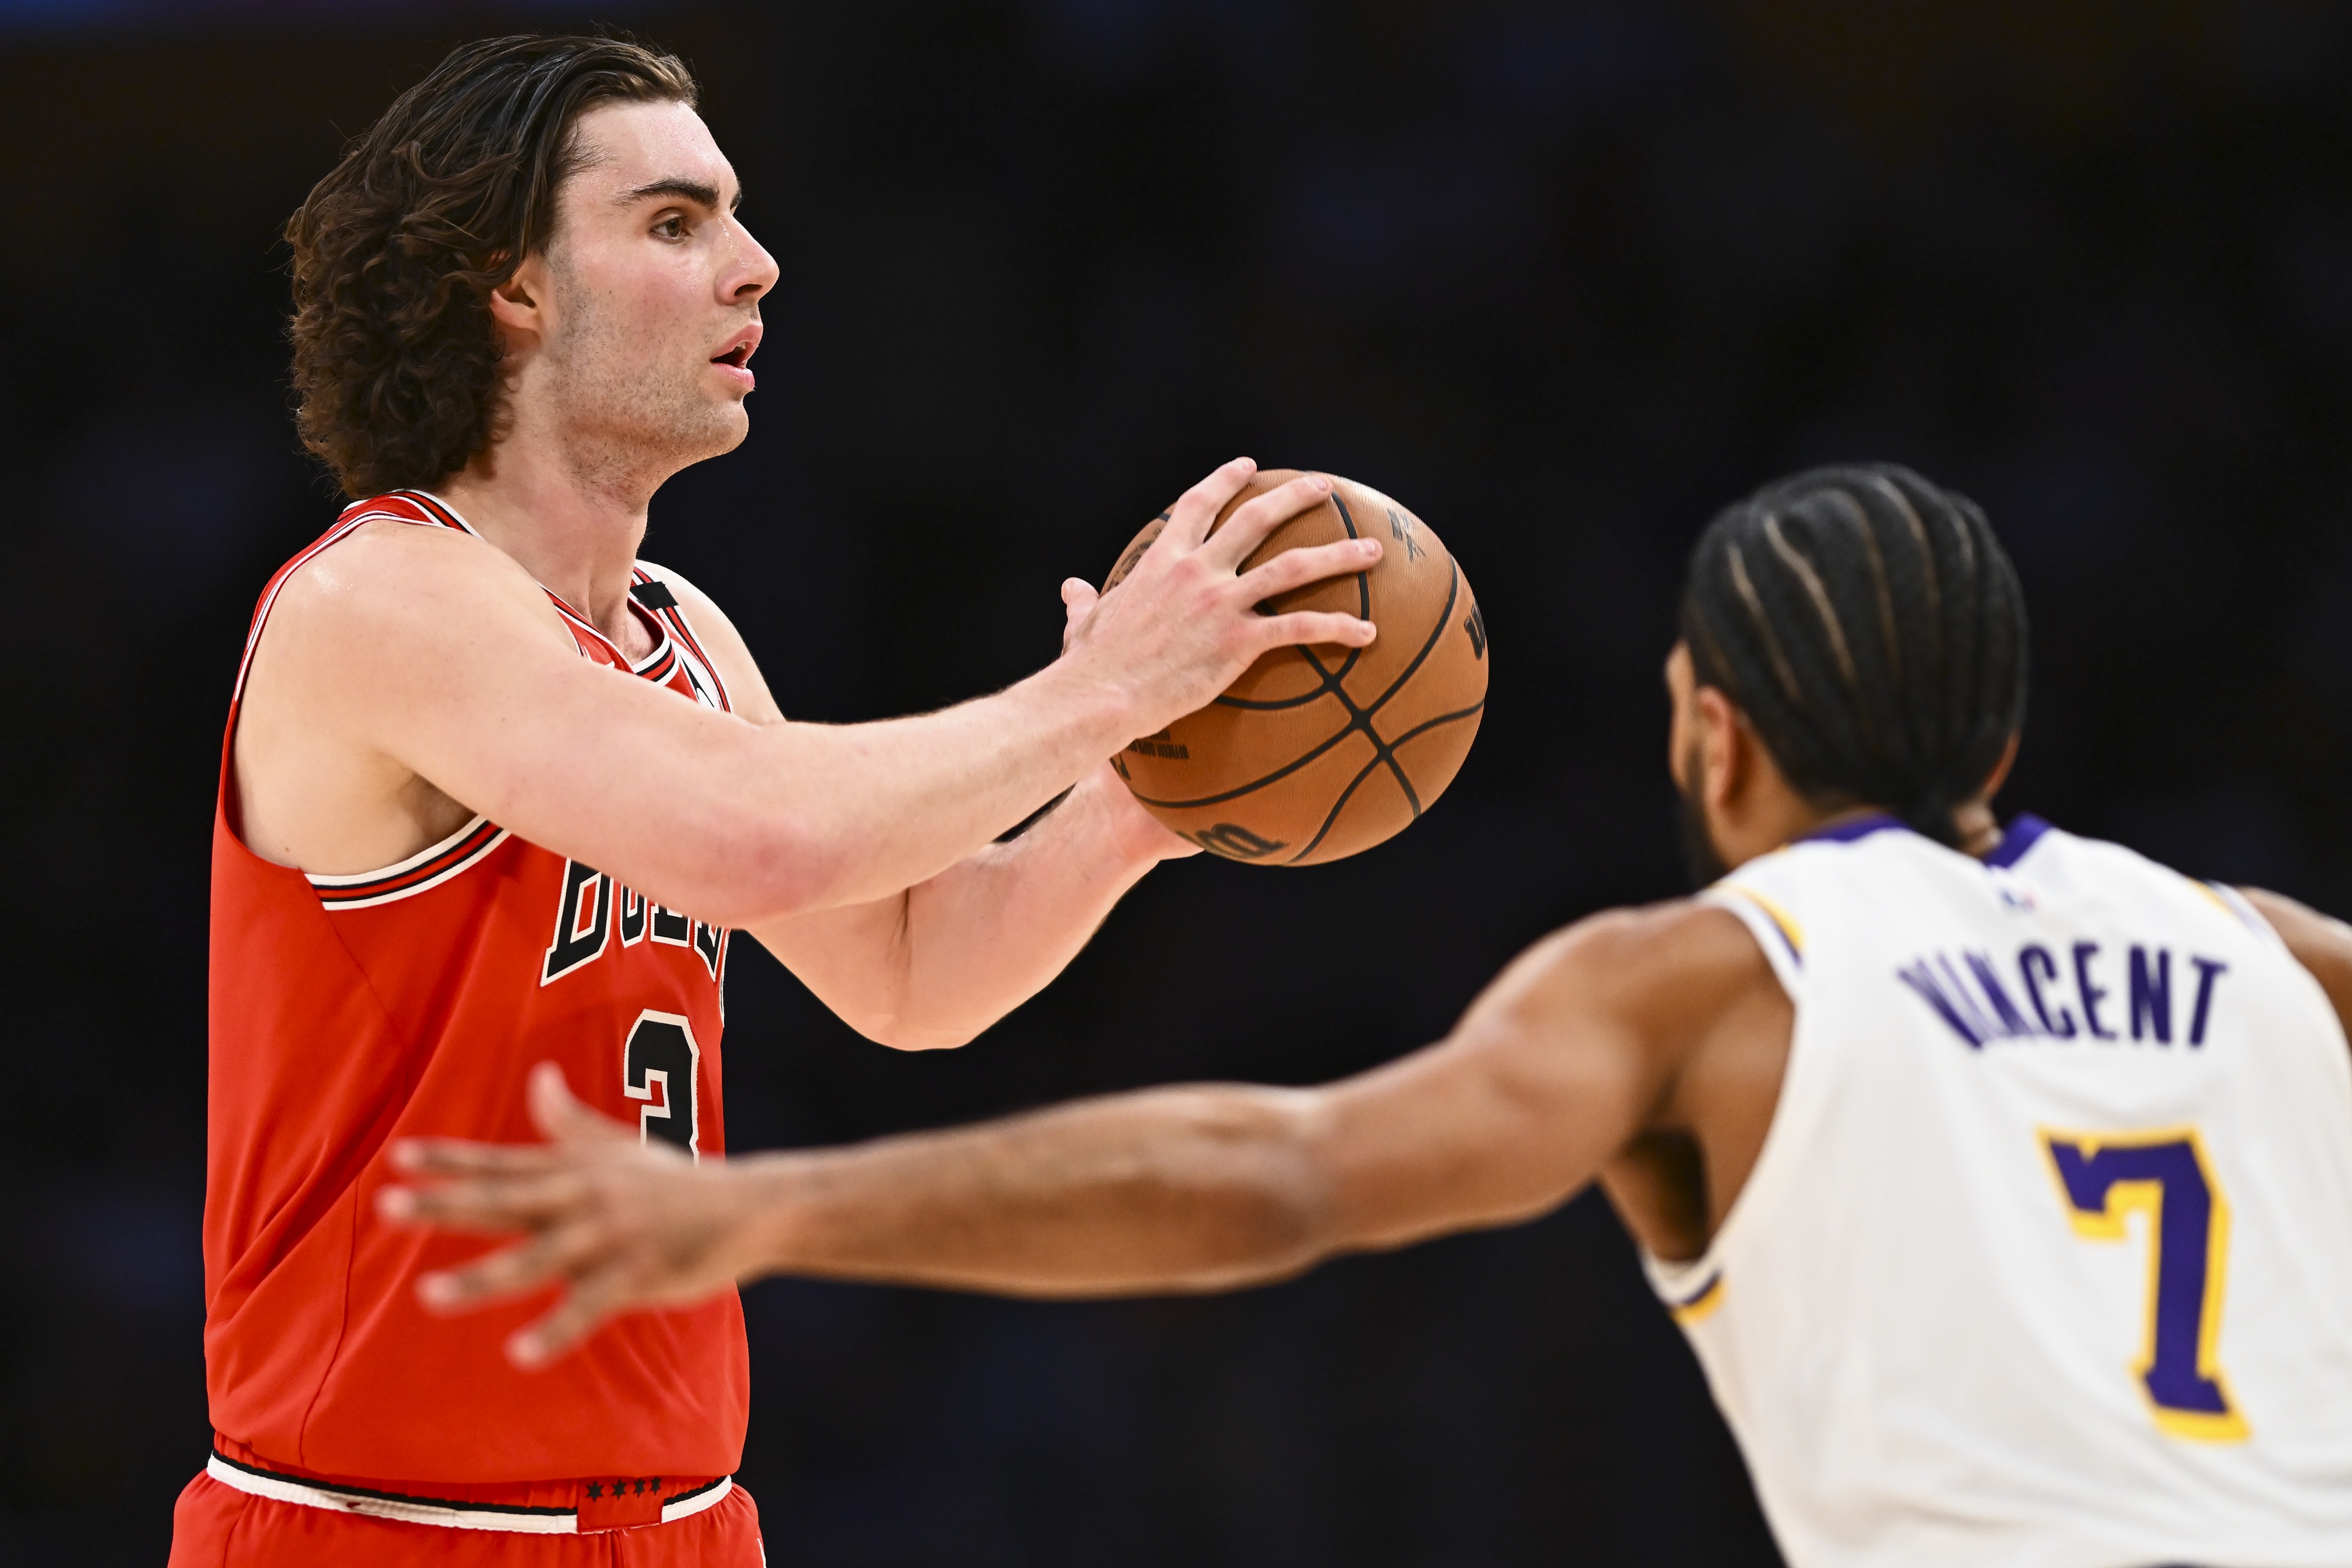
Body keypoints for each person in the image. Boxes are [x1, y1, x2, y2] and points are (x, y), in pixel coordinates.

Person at [390, 463, 2352, 1568]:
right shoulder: (2282, 956)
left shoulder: (1700, 983)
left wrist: (778, 1211)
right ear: (2003, 737)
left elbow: (1282, 1175)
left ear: (1708, 735)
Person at [175, 32, 1386, 1568]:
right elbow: (762, 839)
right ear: (514, 283)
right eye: (676, 223)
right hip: (384, 1527)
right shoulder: (380, 598)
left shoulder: (684, 635)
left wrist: (1147, 796)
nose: (755, 265)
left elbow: (911, 970)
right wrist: (1100, 693)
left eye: (737, 216)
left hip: (683, 1522)